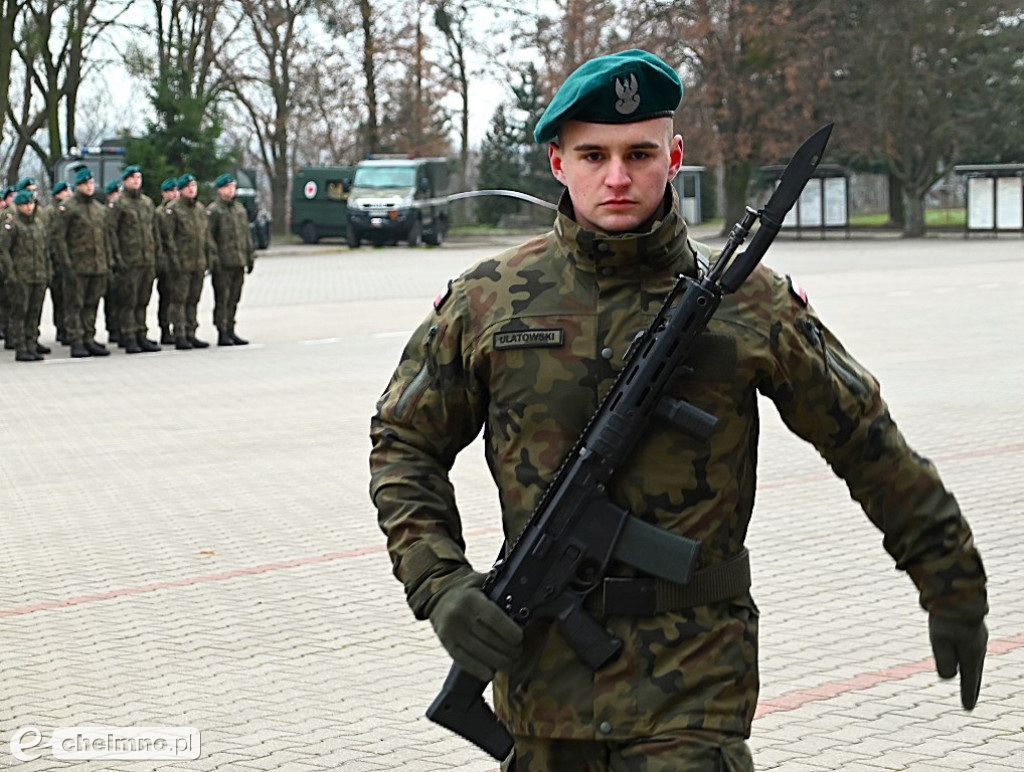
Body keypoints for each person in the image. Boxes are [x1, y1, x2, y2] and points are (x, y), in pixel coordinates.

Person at [368, 50, 988, 771]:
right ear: (557, 162)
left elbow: (868, 444)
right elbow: (403, 443)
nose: (619, 177)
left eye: (640, 152)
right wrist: (439, 582)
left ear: (676, 155)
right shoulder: (488, 299)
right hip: (543, 695)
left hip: (694, 692)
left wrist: (952, 582)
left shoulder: (749, 302)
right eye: (594, 154)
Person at [51, 168, 113, 358]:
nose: (89, 187)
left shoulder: (99, 208)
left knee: (91, 303)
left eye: (92, 183)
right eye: (86, 184)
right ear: (78, 186)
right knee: (74, 304)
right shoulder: (68, 208)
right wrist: (66, 264)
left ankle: (88, 337)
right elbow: (59, 238)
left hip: (97, 265)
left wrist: (108, 261)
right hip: (77, 266)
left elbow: (106, 237)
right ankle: (76, 340)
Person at [107, 165, 161, 353]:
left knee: (142, 299)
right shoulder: (119, 204)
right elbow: (112, 232)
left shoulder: (147, 203)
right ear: (125, 181)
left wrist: (157, 255)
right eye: (132, 178)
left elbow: (154, 231)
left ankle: (141, 333)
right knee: (128, 300)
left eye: (138, 177)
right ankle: (128, 335)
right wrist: (116, 258)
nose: (136, 181)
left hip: (146, 259)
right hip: (128, 260)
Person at [205, 173, 255, 346]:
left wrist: (250, 256)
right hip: (223, 262)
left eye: (233, 187)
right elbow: (209, 237)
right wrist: (214, 260)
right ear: (220, 190)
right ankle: (222, 331)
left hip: (238, 260)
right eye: (227, 187)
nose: (231, 190)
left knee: (234, 297)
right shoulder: (214, 210)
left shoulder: (239, 209)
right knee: (223, 298)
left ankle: (231, 328)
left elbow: (246, 236)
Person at [162, 173, 210, 349]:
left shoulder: (199, 209)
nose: (192, 190)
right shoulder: (173, 210)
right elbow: (169, 239)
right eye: (188, 187)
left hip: (197, 263)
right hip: (180, 264)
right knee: (179, 300)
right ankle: (180, 334)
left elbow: (205, 237)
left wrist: (207, 259)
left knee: (193, 299)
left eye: (194, 186)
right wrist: (173, 262)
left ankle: (191, 332)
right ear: (181, 190)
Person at [0, 190, 48, 361]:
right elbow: (4, 251)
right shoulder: (12, 226)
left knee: (34, 312)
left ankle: (31, 344)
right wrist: (10, 274)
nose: (29, 207)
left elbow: (45, 251)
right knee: (20, 312)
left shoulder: (38, 225)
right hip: (21, 276)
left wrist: (47, 272)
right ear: (18, 206)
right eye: (25, 205)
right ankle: (21, 347)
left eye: (31, 204)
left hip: (38, 275)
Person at [45, 181, 73, 345]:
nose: (69, 193)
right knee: (60, 298)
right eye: (65, 191)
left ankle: (69, 329)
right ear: (57, 195)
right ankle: (61, 329)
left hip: (71, 260)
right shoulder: (50, 212)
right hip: (56, 261)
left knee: (70, 298)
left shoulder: (71, 210)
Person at [155, 178, 179, 344]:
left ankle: (180, 328)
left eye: (176, 190)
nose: (175, 194)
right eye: (171, 191)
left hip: (182, 260)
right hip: (166, 262)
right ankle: (165, 328)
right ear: (164, 193)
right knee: (167, 297)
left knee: (180, 297)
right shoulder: (160, 212)